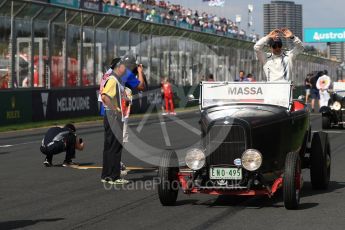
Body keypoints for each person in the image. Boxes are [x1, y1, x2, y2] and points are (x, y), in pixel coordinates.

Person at [100, 56, 137, 185]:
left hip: (112, 115)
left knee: (109, 146)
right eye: (123, 66)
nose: (125, 69)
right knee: (115, 146)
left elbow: (117, 96)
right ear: (118, 67)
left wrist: (126, 99)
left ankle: (107, 175)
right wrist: (114, 110)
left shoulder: (117, 80)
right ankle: (114, 176)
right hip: (113, 116)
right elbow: (105, 97)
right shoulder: (113, 80)